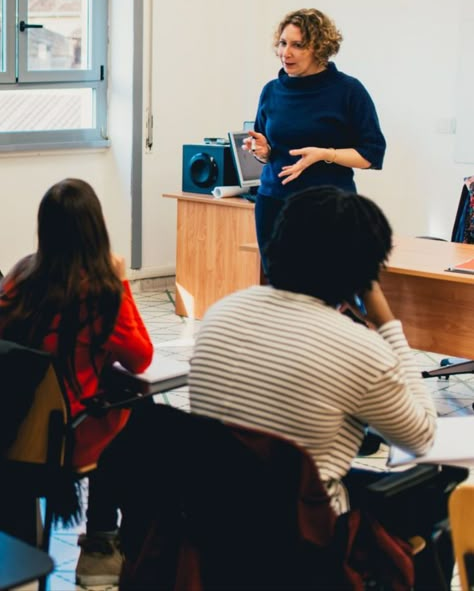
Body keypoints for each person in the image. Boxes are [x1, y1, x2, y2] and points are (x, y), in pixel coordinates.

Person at [189, 185, 464, 588]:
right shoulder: (358, 348)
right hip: (306, 537)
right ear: (364, 273)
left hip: (215, 516)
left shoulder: (221, 312)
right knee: (441, 486)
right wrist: (388, 324)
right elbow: (421, 436)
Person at [0, 178, 154, 586]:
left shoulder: (19, 276)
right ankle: (104, 543)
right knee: (141, 414)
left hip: (15, 430)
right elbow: (142, 358)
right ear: (96, 229)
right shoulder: (101, 291)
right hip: (66, 437)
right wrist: (121, 281)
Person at [243, 7, 386, 272]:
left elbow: (372, 154)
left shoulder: (348, 91)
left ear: (319, 48)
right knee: (280, 288)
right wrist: (261, 151)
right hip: (273, 203)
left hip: (327, 207)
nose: (286, 53)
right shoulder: (272, 91)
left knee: (323, 288)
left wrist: (325, 154)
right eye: (283, 43)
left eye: (298, 45)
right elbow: (268, 150)